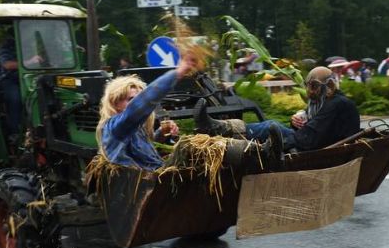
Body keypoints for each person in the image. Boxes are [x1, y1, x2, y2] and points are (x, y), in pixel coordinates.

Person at [96, 52, 281, 171]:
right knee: (192, 145)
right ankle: (259, 155)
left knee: (207, 140)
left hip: (158, 172)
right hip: (152, 178)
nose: (137, 103)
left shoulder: (131, 129)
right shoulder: (114, 127)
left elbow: (140, 150)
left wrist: (161, 135)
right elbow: (144, 103)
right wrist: (178, 72)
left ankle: (247, 143)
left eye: (138, 97)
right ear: (115, 103)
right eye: (131, 99)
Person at [194, 66, 360, 152]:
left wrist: (274, 144)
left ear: (329, 86)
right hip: (315, 143)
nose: (310, 92)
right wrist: (296, 124)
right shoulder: (330, 102)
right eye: (308, 86)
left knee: (270, 126)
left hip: (315, 148)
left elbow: (311, 137)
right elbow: (317, 129)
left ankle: (221, 128)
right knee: (272, 126)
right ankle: (223, 129)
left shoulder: (337, 104)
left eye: (314, 86)